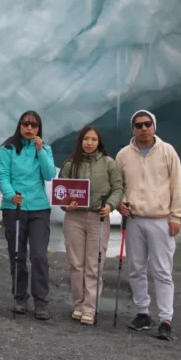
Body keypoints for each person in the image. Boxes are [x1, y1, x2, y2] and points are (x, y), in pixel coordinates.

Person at [116, 109, 181, 341]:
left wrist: (176, 216)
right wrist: (119, 203)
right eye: (138, 125)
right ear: (132, 129)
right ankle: (142, 313)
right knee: (136, 269)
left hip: (161, 220)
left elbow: (178, 185)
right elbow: (117, 185)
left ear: (154, 126)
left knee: (162, 271)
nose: (143, 128)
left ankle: (166, 319)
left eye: (147, 124)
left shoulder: (167, 152)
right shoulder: (124, 155)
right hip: (135, 220)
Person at [59, 125, 123, 325]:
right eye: (86, 139)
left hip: (98, 217)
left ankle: (90, 308)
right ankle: (78, 305)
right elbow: (61, 189)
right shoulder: (70, 164)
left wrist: (111, 205)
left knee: (93, 265)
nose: (89, 143)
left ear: (99, 142)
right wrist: (65, 206)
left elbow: (118, 187)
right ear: (81, 141)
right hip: (74, 218)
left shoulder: (108, 163)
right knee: (76, 263)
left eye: (93, 139)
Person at [0, 110, 56, 320]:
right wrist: (11, 195)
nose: (29, 128)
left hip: (39, 208)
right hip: (14, 208)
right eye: (25, 124)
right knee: (17, 255)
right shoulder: (8, 148)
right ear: (19, 126)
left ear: (39, 128)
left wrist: (40, 150)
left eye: (34, 125)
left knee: (39, 256)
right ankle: (20, 297)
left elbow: (49, 174)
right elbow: (3, 176)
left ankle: (41, 301)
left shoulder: (45, 149)